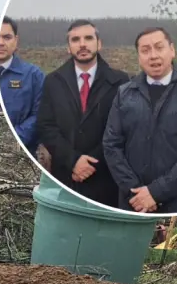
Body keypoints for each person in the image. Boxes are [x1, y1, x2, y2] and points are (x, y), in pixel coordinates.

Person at [101, 27, 177, 214]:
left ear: (172, 50)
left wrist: (155, 192)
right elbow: (111, 145)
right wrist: (135, 192)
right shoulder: (125, 94)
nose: (153, 56)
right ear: (138, 56)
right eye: (145, 50)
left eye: (159, 48)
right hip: (133, 203)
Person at [36, 20, 130, 207]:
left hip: (106, 178)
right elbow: (46, 127)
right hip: (65, 177)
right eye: (75, 39)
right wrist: (73, 161)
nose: (82, 44)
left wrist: (91, 164)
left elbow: (123, 128)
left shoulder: (120, 82)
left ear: (99, 43)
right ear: (69, 47)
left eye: (88, 38)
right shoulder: (53, 82)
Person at [0, 16, 45, 156]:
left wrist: (16, 139)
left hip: (22, 156)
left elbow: (40, 114)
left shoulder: (33, 76)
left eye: (6, 37)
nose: (0, 43)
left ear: (16, 41)